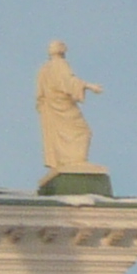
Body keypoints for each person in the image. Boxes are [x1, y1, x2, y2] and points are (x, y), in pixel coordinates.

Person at [35, 40, 103, 175]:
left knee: (63, 134)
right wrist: (89, 86)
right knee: (83, 131)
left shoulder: (44, 69)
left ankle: (67, 160)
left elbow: (40, 93)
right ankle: (77, 161)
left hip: (51, 106)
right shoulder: (60, 64)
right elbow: (69, 82)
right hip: (61, 105)